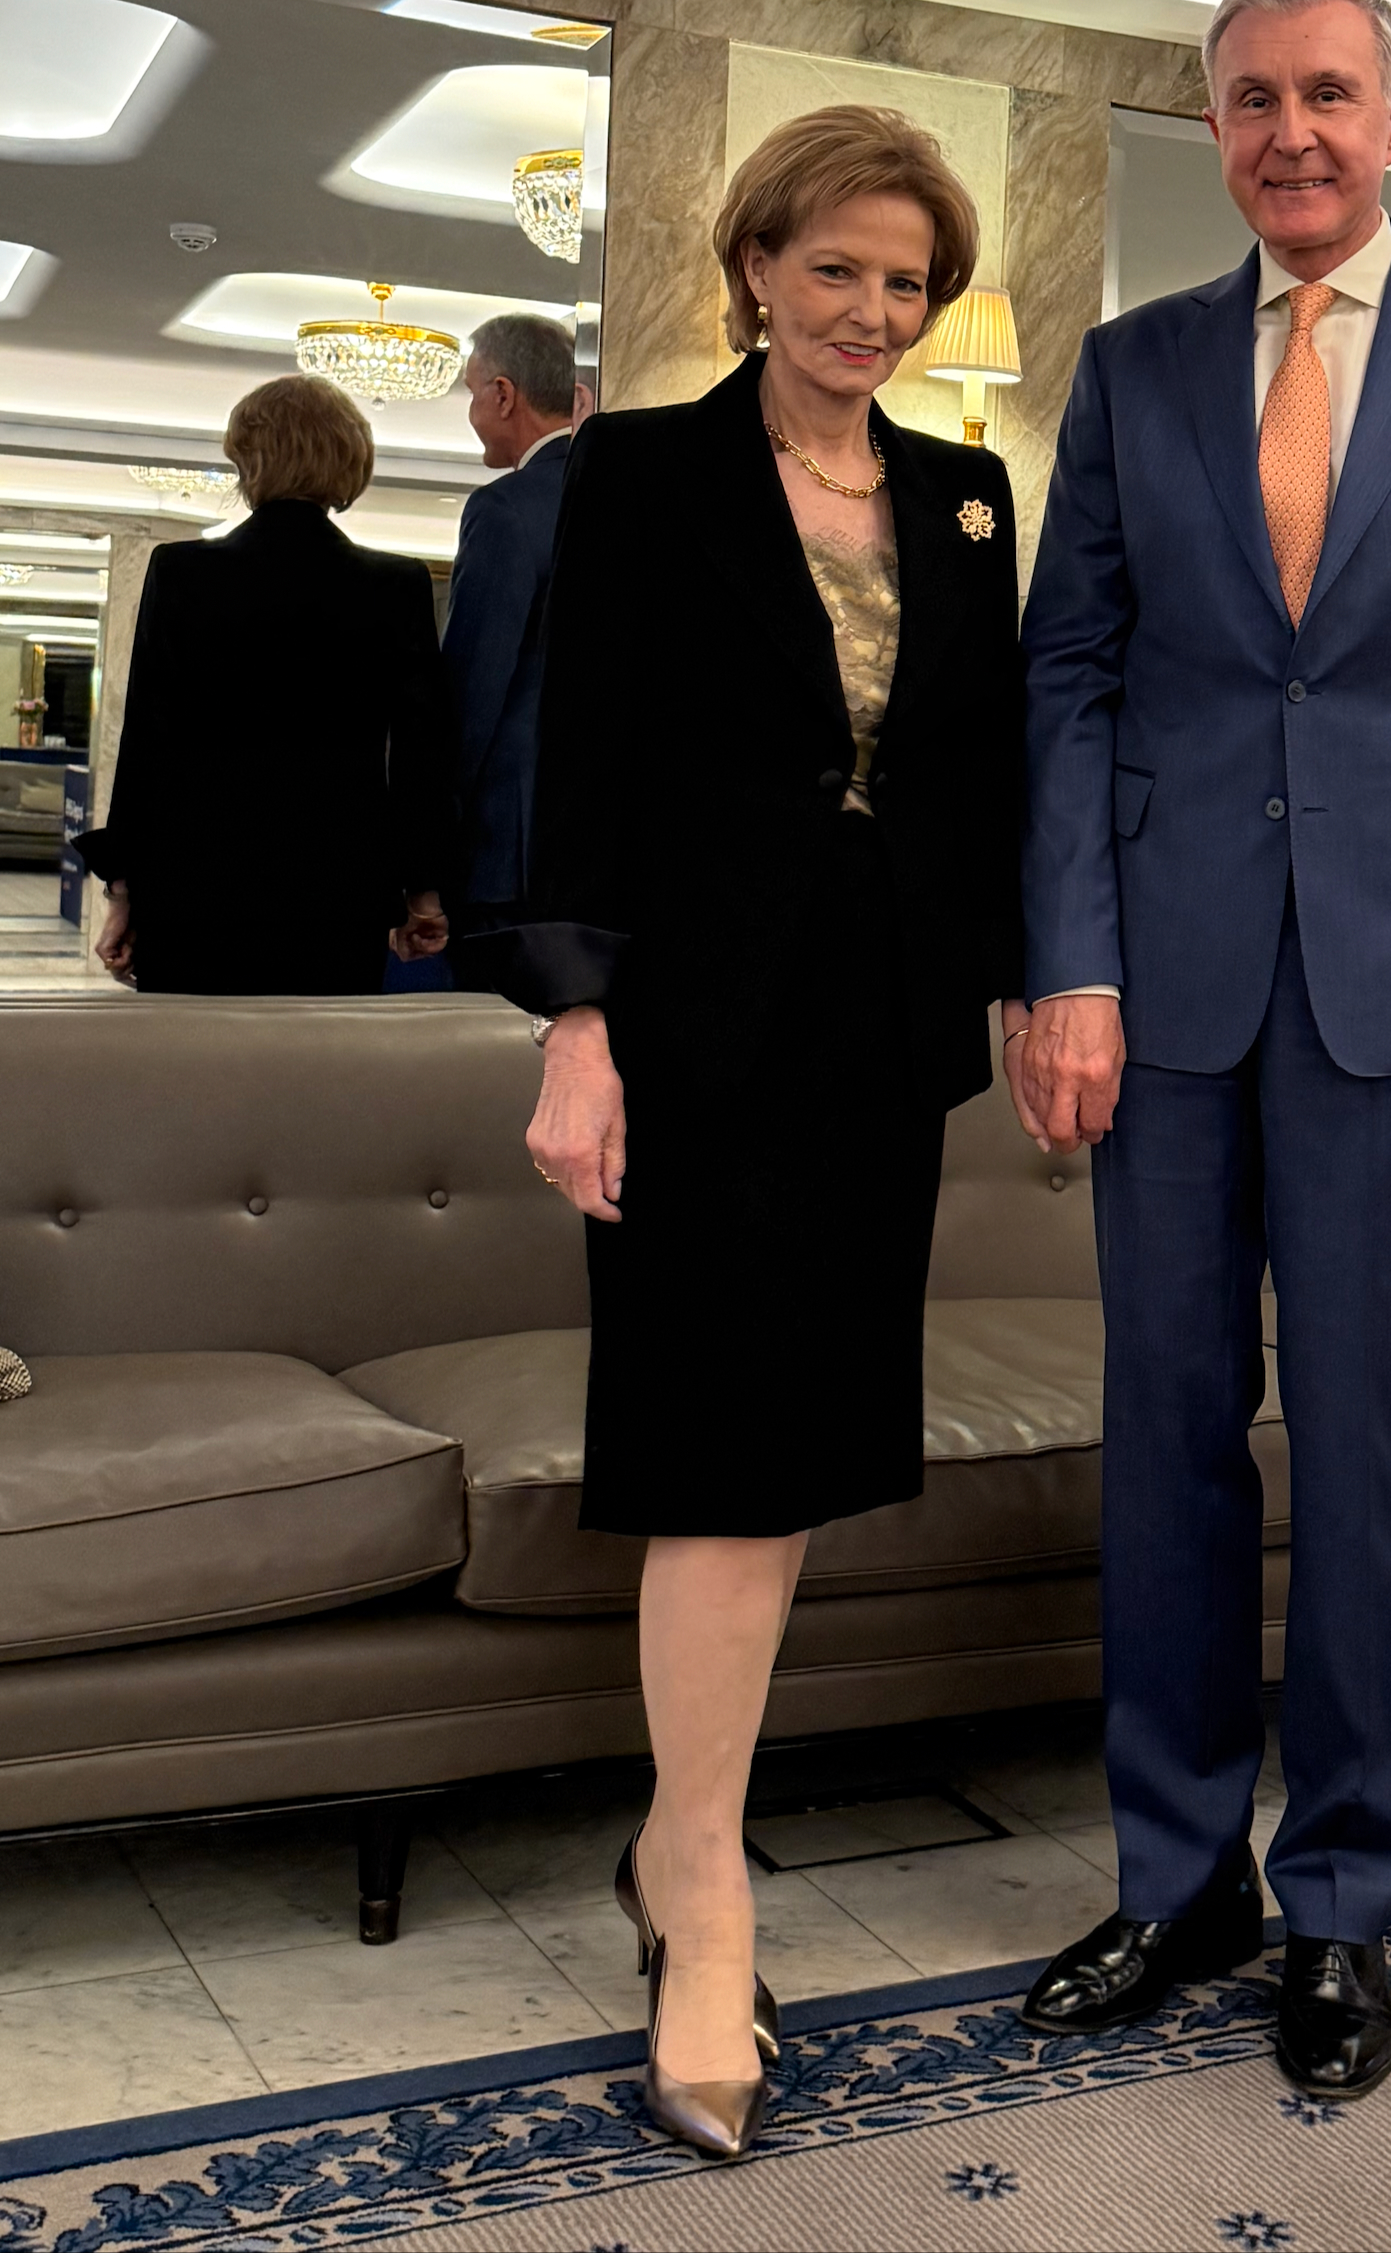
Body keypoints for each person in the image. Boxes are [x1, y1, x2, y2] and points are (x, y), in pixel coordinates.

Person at [1008, 0, 1391, 2103]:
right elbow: (1069, 680)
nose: (1291, 132)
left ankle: (1344, 1899)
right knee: (1164, 1436)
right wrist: (1067, 966)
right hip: (1161, 994)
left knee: (1361, 1453)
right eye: (1253, 98)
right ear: (1213, 126)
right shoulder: (1135, 366)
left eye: (1329, 94)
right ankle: (1180, 1878)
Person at [480, 105, 1022, 2161]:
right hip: (691, 1038)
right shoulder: (632, 473)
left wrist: (1039, 981)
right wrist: (577, 1025)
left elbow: (984, 776)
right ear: (755, 271)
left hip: (880, 1044)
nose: (871, 310)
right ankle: (703, 1890)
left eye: (906, 281)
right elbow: (570, 764)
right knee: (714, 1458)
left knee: (787, 1466)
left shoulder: (969, 498)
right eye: (837, 270)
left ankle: (673, 1837)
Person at [83, 375, 454, 993]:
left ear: (248, 461)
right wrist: (423, 893)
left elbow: (148, 743)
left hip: (195, 886)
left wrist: (122, 894)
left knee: (195, 1052)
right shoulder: (395, 585)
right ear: (349, 460)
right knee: (319, 1053)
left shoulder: (181, 574)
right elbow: (421, 755)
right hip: (337, 891)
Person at [443, 313, 588, 944]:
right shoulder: (631, 497)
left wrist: (429, 860)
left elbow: (471, 693)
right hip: (607, 847)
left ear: (504, 395)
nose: (472, 410)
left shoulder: (505, 510)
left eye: (473, 392)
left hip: (509, 851)